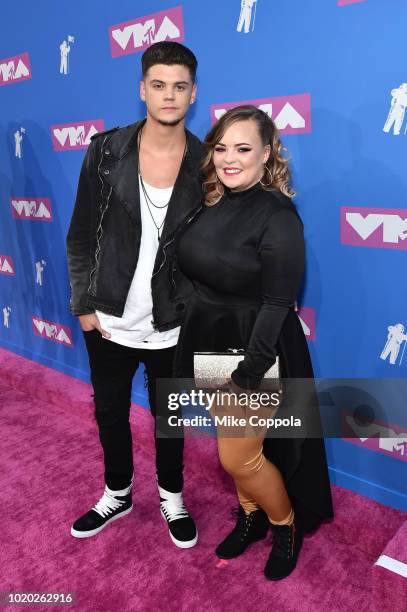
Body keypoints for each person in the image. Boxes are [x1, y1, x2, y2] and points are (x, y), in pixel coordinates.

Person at [173, 105, 334, 579]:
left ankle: (285, 525)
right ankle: (251, 517)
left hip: (255, 348)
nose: (229, 159)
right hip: (210, 338)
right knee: (237, 450)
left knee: (236, 455)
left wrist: (246, 373)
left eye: (243, 148)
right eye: (221, 147)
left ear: (268, 153)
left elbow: (276, 303)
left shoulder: (278, 216)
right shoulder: (213, 200)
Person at [66, 41, 203, 548]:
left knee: (171, 417)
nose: (169, 95)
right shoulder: (105, 150)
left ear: (193, 94)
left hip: (173, 320)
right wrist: (83, 303)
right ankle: (117, 492)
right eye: (159, 84)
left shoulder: (209, 162)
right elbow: (80, 233)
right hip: (108, 317)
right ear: (142, 88)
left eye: (180, 86)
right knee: (109, 412)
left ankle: (172, 497)